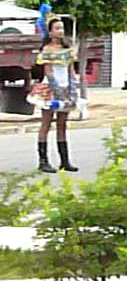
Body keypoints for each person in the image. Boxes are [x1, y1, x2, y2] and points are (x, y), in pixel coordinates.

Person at [33, 17, 79, 173]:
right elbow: (49, 72)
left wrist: (73, 90)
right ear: (50, 32)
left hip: (67, 88)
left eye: (62, 28)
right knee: (46, 123)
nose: (61, 31)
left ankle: (64, 161)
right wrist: (58, 92)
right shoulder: (47, 50)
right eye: (57, 28)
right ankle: (43, 161)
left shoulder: (68, 49)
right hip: (50, 89)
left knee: (62, 124)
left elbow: (71, 71)